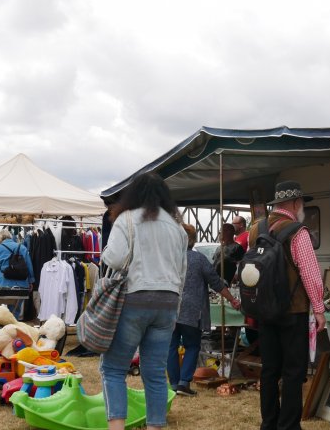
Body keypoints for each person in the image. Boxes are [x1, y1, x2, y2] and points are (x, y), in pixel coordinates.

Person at [100, 173, 187, 430]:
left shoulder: (126, 219)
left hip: (134, 296)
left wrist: (107, 252)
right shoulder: (177, 227)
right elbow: (182, 272)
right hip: (168, 302)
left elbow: (115, 259)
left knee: (114, 369)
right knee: (155, 373)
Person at [251, 181, 325, 430]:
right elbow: (310, 274)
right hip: (293, 311)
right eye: (301, 202)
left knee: (269, 370)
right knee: (293, 372)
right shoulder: (298, 231)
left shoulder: (256, 228)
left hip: (265, 309)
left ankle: (269, 423)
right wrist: (319, 309)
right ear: (295, 203)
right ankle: (289, 426)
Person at [168, 223, 241, 397]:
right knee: (192, 345)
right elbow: (216, 283)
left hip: (170, 308)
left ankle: (174, 383)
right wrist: (232, 299)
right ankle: (184, 383)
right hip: (192, 310)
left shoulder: (168, 258)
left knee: (171, 346)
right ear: (193, 240)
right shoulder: (199, 259)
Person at [0, 229, 34, 319]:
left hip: (3, 285)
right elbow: (29, 266)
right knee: (15, 311)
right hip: (21, 284)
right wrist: (31, 281)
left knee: (0, 310)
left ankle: (3, 326)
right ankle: (13, 325)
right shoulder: (22, 247)